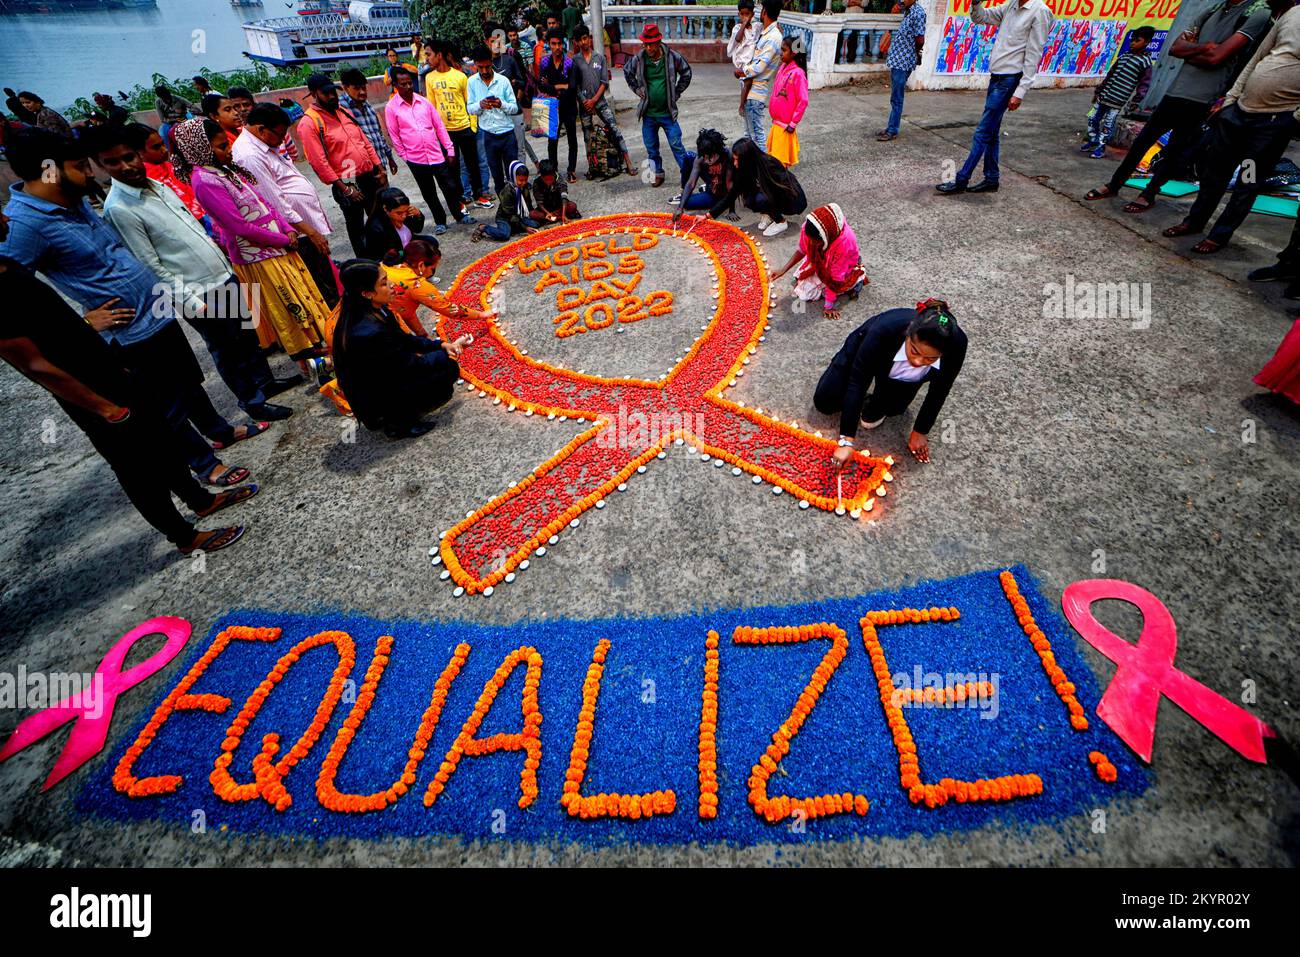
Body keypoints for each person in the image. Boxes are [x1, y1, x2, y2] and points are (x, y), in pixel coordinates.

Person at [0, 127, 259, 488]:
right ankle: (204, 465)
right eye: (81, 166)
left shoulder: (72, 200)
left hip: (156, 311)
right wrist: (83, 325)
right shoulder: (25, 225)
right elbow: (11, 295)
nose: (91, 173)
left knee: (187, 383)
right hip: (128, 332)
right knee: (165, 406)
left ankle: (219, 431)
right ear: (50, 170)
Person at [0, 249, 253, 553]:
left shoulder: (8, 265)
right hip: (92, 397)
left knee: (165, 441)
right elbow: (33, 365)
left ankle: (201, 500)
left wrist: (90, 333)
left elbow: (53, 328)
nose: (6, 219)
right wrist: (101, 407)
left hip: (114, 375)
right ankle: (184, 537)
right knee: (137, 469)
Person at [93, 124, 294, 421]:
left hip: (220, 272)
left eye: (129, 157)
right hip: (196, 290)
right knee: (226, 349)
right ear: (100, 166)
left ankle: (265, 383)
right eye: (113, 162)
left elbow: (191, 229)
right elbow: (150, 265)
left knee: (246, 335)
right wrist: (191, 303)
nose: (126, 166)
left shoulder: (159, 186)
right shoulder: (119, 209)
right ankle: (252, 401)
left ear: (138, 155)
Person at [173, 118, 333, 380]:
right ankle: (312, 364)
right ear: (201, 148)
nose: (229, 150)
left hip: (279, 247)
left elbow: (264, 204)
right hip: (258, 256)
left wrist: (288, 229)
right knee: (290, 309)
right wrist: (283, 239)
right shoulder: (204, 181)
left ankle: (323, 353)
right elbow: (239, 226)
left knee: (305, 299)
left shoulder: (227, 170)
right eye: (222, 146)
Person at [1084, 0, 1274, 211]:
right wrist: (1205, 47)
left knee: (1175, 149)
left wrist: (1196, 51)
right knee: (1143, 141)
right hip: (1176, 90)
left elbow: (1216, 57)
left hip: (1205, 97)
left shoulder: (1256, 13)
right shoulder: (1213, 9)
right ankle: (1115, 183)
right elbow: (1175, 48)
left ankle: (1149, 193)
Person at [1162, 7, 1300, 252]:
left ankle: (1219, 235)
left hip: (1273, 123)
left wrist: (1294, 118)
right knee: (1215, 172)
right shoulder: (1292, 15)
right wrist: (1230, 100)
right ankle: (1194, 221)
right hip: (1239, 113)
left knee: (1247, 180)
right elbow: (1257, 58)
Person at [813, 299, 967, 466]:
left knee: (888, 412)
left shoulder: (957, 346)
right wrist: (846, 441)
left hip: (896, 372)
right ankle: (859, 395)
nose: (917, 361)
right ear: (908, 333)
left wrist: (920, 431)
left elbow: (939, 390)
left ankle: (878, 397)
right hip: (868, 351)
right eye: (914, 350)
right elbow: (858, 381)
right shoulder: (885, 330)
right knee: (825, 401)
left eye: (930, 358)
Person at [331, 258, 473, 438]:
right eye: (384, 283)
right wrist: (442, 354)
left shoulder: (372, 308)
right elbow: (406, 365)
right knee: (447, 371)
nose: (392, 285)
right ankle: (398, 423)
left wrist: (440, 344)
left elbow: (404, 339)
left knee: (442, 363)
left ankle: (397, 414)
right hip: (376, 391)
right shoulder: (368, 331)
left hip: (384, 378)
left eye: (387, 279)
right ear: (367, 293)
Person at [936, 0, 1053, 195]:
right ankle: (991, 178)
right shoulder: (1011, 6)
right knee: (991, 132)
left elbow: (1034, 54)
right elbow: (981, 17)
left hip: (1010, 79)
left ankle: (962, 179)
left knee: (983, 132)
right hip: (997, 76)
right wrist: (975, 4)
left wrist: (1020, 91)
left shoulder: (1039, 12)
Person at [234, 102, 339, 308]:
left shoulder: (263, 144)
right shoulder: (249, 156)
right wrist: (310, 232)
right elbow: (275, 203)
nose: (283, 140)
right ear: (261, 129)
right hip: (299, 234)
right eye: (280, 134)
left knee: (327, 280)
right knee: (322, 289)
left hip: (305, 230)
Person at [299, 73, 386, 258]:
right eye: (326, 93)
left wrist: (379, 167)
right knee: (357, 226)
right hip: (346, 182)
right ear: (314, 94)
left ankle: (384, 259)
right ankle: (366, 266)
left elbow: (364, 140)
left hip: (367, 175)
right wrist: (344, 189)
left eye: (333, 92)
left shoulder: (343, 111)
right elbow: (318, 161)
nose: (332, 96)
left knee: (377, 219)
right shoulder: (309, 122)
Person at [385, 70, 475, 237]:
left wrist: (449, 149)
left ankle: (460, 215)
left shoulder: (424, 102)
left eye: (409, 83)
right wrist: (405, 157)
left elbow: (439, 126)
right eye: (403, 84)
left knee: (450, 187)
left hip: (436, 155)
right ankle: (440, 221)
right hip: (415, 159)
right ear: (396, 86)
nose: (408, 87)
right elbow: (394, 135)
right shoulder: (391, 108)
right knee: (429, 192)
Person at [624, 24, 694, 187]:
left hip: (668, 113)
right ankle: (658, 173)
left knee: (677, 144)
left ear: (658, 41)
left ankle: (689, 174)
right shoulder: (640, 58)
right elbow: (627, 71)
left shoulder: (671, 57)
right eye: (645, 44)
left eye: (651, 44)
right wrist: (637, 89)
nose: (648, 48)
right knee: (651, 147)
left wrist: (676, 92)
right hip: (649, 113)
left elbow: (687, 72)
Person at [426, 42, 494, 209]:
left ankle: (479, 195)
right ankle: (460, 200)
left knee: (473, 164)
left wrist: (472, 126)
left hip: (465, 127)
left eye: (429, 54)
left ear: (439, 55)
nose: (427, 58)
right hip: (446, 132)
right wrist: (436, 132)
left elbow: (468, 102)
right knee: (452, 167)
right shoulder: (429, 78)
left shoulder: (460, 76)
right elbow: (431, 107)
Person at [770, 203, 867, 320]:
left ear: (826, 237)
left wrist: (829, 306)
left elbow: (835, 278)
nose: (812, 244)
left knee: (813, 292)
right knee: (802, 283)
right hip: (824, 259)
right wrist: (783, 270)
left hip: (841, 265)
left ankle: (857, 280)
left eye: (816, 242)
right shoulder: (808, 229)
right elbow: (802, 250)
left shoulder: (844, 243)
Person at [385, 236, 495, 337]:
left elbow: (406, 309)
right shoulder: (415, 284)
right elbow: (450, 309)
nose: (433, 273)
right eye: (433, 269)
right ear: (421, 265)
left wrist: (422, 335)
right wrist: (481, 315)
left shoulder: (389, 266)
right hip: (384, 324)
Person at [1081, 27, 1155, 158]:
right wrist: (1098, 91)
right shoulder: (1124, 56)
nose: (1133, 43)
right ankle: (1093, 141)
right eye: (1132, 40)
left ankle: (1101, 147)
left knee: (1108, 124)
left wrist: (1136, 101)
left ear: (1147, 42)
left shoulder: (1146, 63)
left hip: (1117, 101)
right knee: (1092, 118)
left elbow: (1144, 85)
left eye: (1137, 40)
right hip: (1103, 97)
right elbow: (1110, 75)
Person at [573, 24, 636, 177]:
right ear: (576, 42)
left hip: (600, 103)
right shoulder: (575, 61)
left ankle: (628, 161)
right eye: (580, 40)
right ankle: (592, 166)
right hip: (584, 106)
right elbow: (575, 85)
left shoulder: (599, 58)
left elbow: (604, 82)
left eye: (585, 38)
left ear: (589, 38)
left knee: (614, 129)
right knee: (588, 136)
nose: (583, 42)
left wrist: (594, 101)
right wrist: (585, 102)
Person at [711, 136, 807, 235]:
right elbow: (732, 194)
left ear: (746, 159)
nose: (734, 163)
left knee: (761, 199)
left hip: (791, 200)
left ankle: (780, 222)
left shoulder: (769, 165)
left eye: (737, 160)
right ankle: (768, 214)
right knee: (750, 200)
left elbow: (784, 190)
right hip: (773, 195)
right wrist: (709, 215)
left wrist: (771, 209)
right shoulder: (745, 169)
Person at [467, 45, 522, 196]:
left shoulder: (503, 81)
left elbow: (515, 108)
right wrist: (480, 105)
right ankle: (505, 208)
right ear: (475, 65)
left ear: (492, 62)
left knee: (513, 174)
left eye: (487, 66)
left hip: (507, 133)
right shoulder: (471, 82)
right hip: (489, 135)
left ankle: (518, 207)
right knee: (497, 176)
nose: (484, 71)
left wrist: (501, 104)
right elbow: (470, 108)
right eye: (480, 67)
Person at [134, 122, 207, 223]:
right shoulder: (147, 179)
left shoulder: (169, 165)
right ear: (139, 153)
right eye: (156, 147)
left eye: (163, 144)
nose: (164, 150)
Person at [537, 28, 581, 184]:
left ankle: (571, 170)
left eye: (559, 44)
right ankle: (553, 171)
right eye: (553, 44)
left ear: (563, 44)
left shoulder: (570, 62)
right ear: (549, 44)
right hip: (552, 108)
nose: (557, 47)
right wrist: (560, 86)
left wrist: (553, 86)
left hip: (568, 106)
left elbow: (573, 86)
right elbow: (541, 85)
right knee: (552, 140)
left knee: (572, 139)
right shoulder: (544, 61)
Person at [338, 67, 399, 178]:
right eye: (357, 88)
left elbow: (379, 135)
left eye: (364, 88)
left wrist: (390, 158)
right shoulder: (340, 110)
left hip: (381, 165)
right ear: (345, 88)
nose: (362, 92)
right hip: (360, 171)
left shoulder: (368, 107)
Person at [880, 0, 927, 141]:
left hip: (904, 61)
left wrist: (918, 54)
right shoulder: (907, 10)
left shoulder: (918, 13)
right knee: (895, 97)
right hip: (898, 59)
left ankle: (893, 130)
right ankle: (890, 128)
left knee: (897, 98)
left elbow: (920, 38)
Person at [741, 0, 784, 148]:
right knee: (749, 136)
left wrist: (742, 71)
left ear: (764, 11)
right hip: (751, 90)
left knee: (757, 137)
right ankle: (753, 169)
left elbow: (759, 66)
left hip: (756, 91)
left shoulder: (773, 37)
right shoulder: (767, 33)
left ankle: (764, 169)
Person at [673, 128, 737, 217]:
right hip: (711, 181)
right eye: (705, 157)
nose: (707, 161)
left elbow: (730, 184)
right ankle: (685, 191)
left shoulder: (727, 155)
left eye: (710, 157)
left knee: (690, 203)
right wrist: (680, 208)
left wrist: (731, 210)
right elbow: (691, 183)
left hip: (719, 193)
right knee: (688, 156)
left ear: (717, 152)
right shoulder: (701, 157)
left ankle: (709, 190)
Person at [473, 160, 541, 241]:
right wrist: (525, 228)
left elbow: (528, 205)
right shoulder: (506, 191)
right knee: (504, 235)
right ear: (513, 176)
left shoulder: (525, 188)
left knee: (535, 224)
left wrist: (535, 214)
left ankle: (515, 227)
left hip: (519, 216)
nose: (523, 183)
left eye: (525, 180)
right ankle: (483, 227)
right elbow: (510, 214)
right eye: (520, 180)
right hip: (505, 218)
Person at [767, 35, 809, 167]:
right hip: (777, 123)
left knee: (779, 163)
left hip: (785, 126)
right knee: (774, 160)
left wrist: (793, 123)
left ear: (794, 53)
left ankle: (781, 185)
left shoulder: (798, 73)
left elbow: (803, 101)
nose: (781, 53)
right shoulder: (782, 68)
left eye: (784, 50)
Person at [365, 187, 420, 263]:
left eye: (406, 211)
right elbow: (384, 256)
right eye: (399, 213)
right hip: (392, 259)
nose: (404, 216)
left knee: (431, 241)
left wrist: (418, 215)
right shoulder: (376, 228)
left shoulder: (404, 213)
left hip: (406, 250)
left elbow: (418, 229)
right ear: (385, 208)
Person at [728, 1, 761, 116]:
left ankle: (751, 103)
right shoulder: (737, 28)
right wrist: (743, 25)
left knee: (754, 84)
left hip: (754, 59)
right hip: (743, 61)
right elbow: (737, 39)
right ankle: (741, 105)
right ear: (739, 14)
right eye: (742, 14)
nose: (744, 17)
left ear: (752, 14)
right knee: (747, 82)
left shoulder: (756, 27)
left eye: (747, 14)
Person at [533, 158, 580, 223]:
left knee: (572, 206)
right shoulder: (536, 183)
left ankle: (558, 217)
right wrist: (548, 213)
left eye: (551, 179)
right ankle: (554, 217)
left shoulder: (559, 179)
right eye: (546, 179)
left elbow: (564, 197)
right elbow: (539, 202)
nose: (549, 182)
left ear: (554, 174)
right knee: (533, 214)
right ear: (541, 176)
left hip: (559, 206)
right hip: (546, 208)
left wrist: (563, 214)